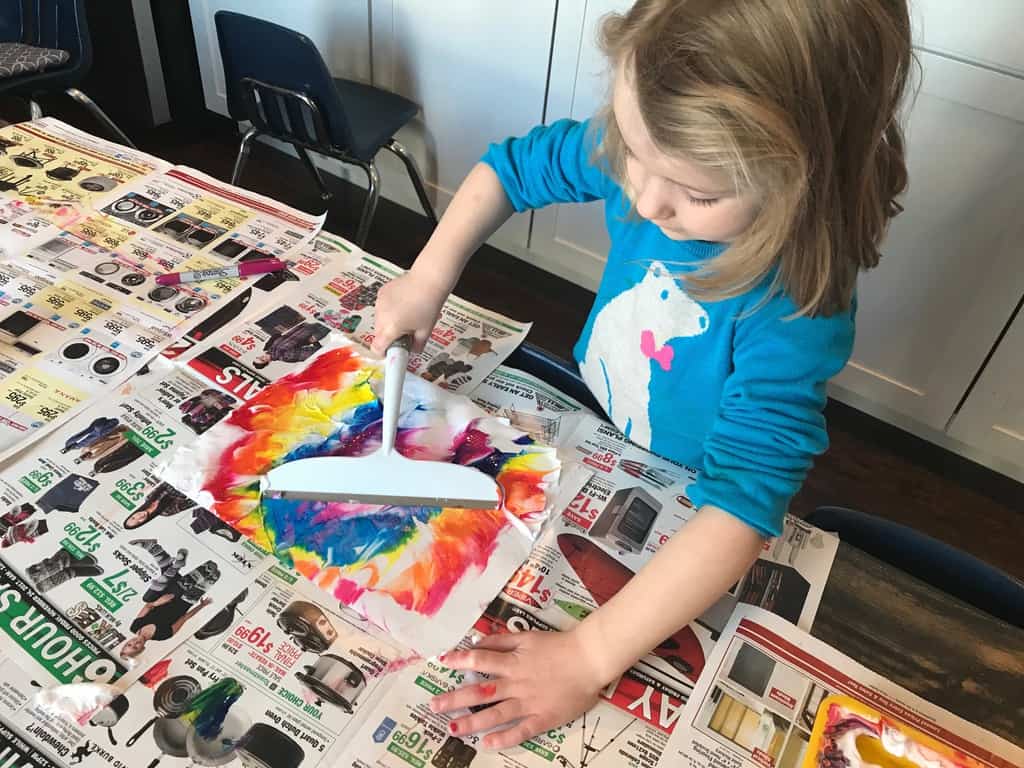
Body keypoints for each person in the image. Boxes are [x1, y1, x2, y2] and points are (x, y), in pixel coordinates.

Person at [370, 0, 911, 749]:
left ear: (803, 181)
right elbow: (508, 170)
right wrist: (429, 276)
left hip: (687, 485)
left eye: (698, 195)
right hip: (599, 419)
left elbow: (742, 504)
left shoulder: (797, 303)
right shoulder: (650, 149)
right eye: (632, 149)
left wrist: (591, 654)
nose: (645, 200)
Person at [251, 321, 330, 369]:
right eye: (262, 360)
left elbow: (281, 334)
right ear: (267, 363)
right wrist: (314, 340)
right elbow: (311, 353)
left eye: (258, 357)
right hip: (317, 331)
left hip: (307, 325)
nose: (262, 357)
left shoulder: (270, 347)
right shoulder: (284, 356)